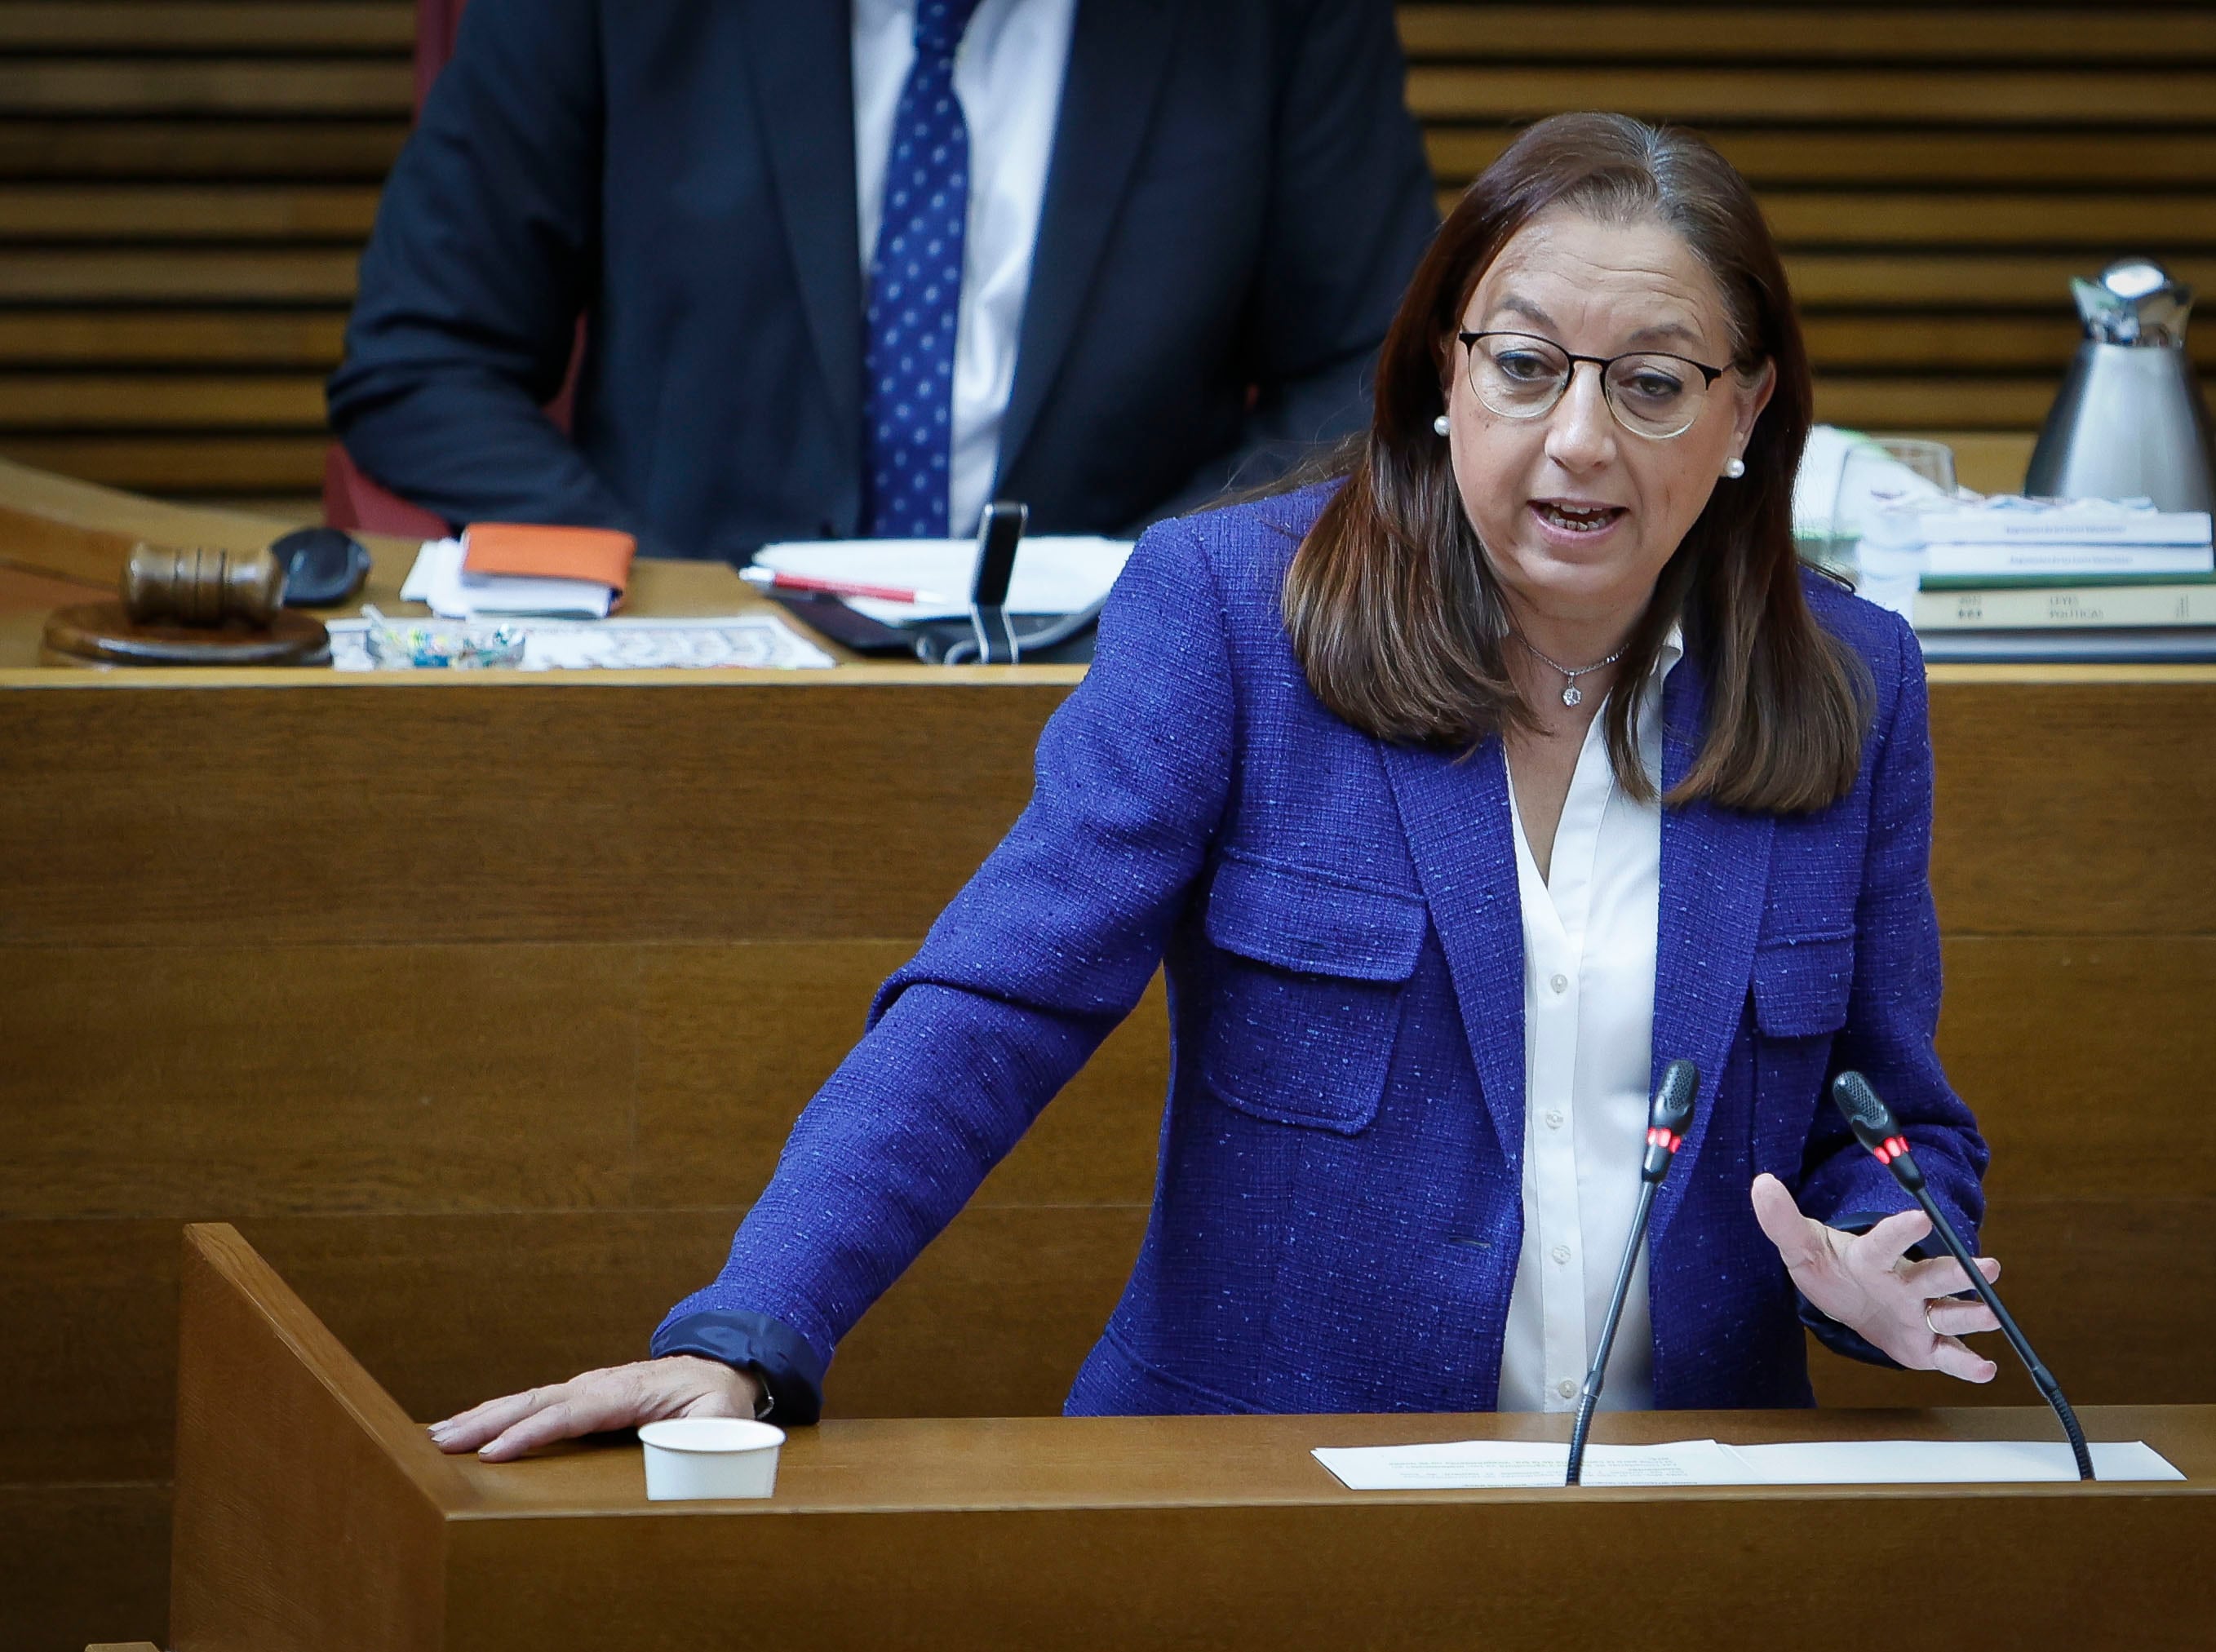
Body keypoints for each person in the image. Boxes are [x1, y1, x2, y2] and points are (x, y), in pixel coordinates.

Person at [434, 112, 2001, 1460]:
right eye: (1526, 368)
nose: (1578, 440)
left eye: (1653, 386)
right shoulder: (1235, 617)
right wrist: (751, 1332)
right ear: (1442, 374)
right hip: (1263, 1498)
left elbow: (1890, 1113)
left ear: (1746, 413)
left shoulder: (1849, 688)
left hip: (1682, 1522)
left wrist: (1884, 1250)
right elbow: (997, 1002)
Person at [326, 0, 1439, 560]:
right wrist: (653, 593)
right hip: (683, 711)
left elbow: (1374, 378)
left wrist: (1171, 591)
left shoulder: (1276, 18)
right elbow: (425, 359)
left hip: (1116, 728)